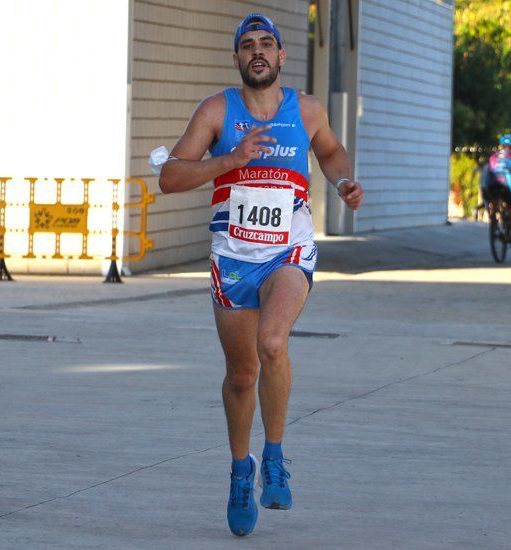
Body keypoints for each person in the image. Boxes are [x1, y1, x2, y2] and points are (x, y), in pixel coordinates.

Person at [157, 13, 363, 537]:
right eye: (247, 45)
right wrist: (229, 159)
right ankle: (239, 470)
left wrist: (343, 183)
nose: (257, 52)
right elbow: (171, 176)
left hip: (287, 252)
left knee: (273, 343)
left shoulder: (308, 110)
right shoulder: (217, 110)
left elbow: (332, 152)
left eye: (266, 44)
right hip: (232, 259)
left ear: (281, 56)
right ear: (237, 59)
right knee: (242, 374)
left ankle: (274, 456)